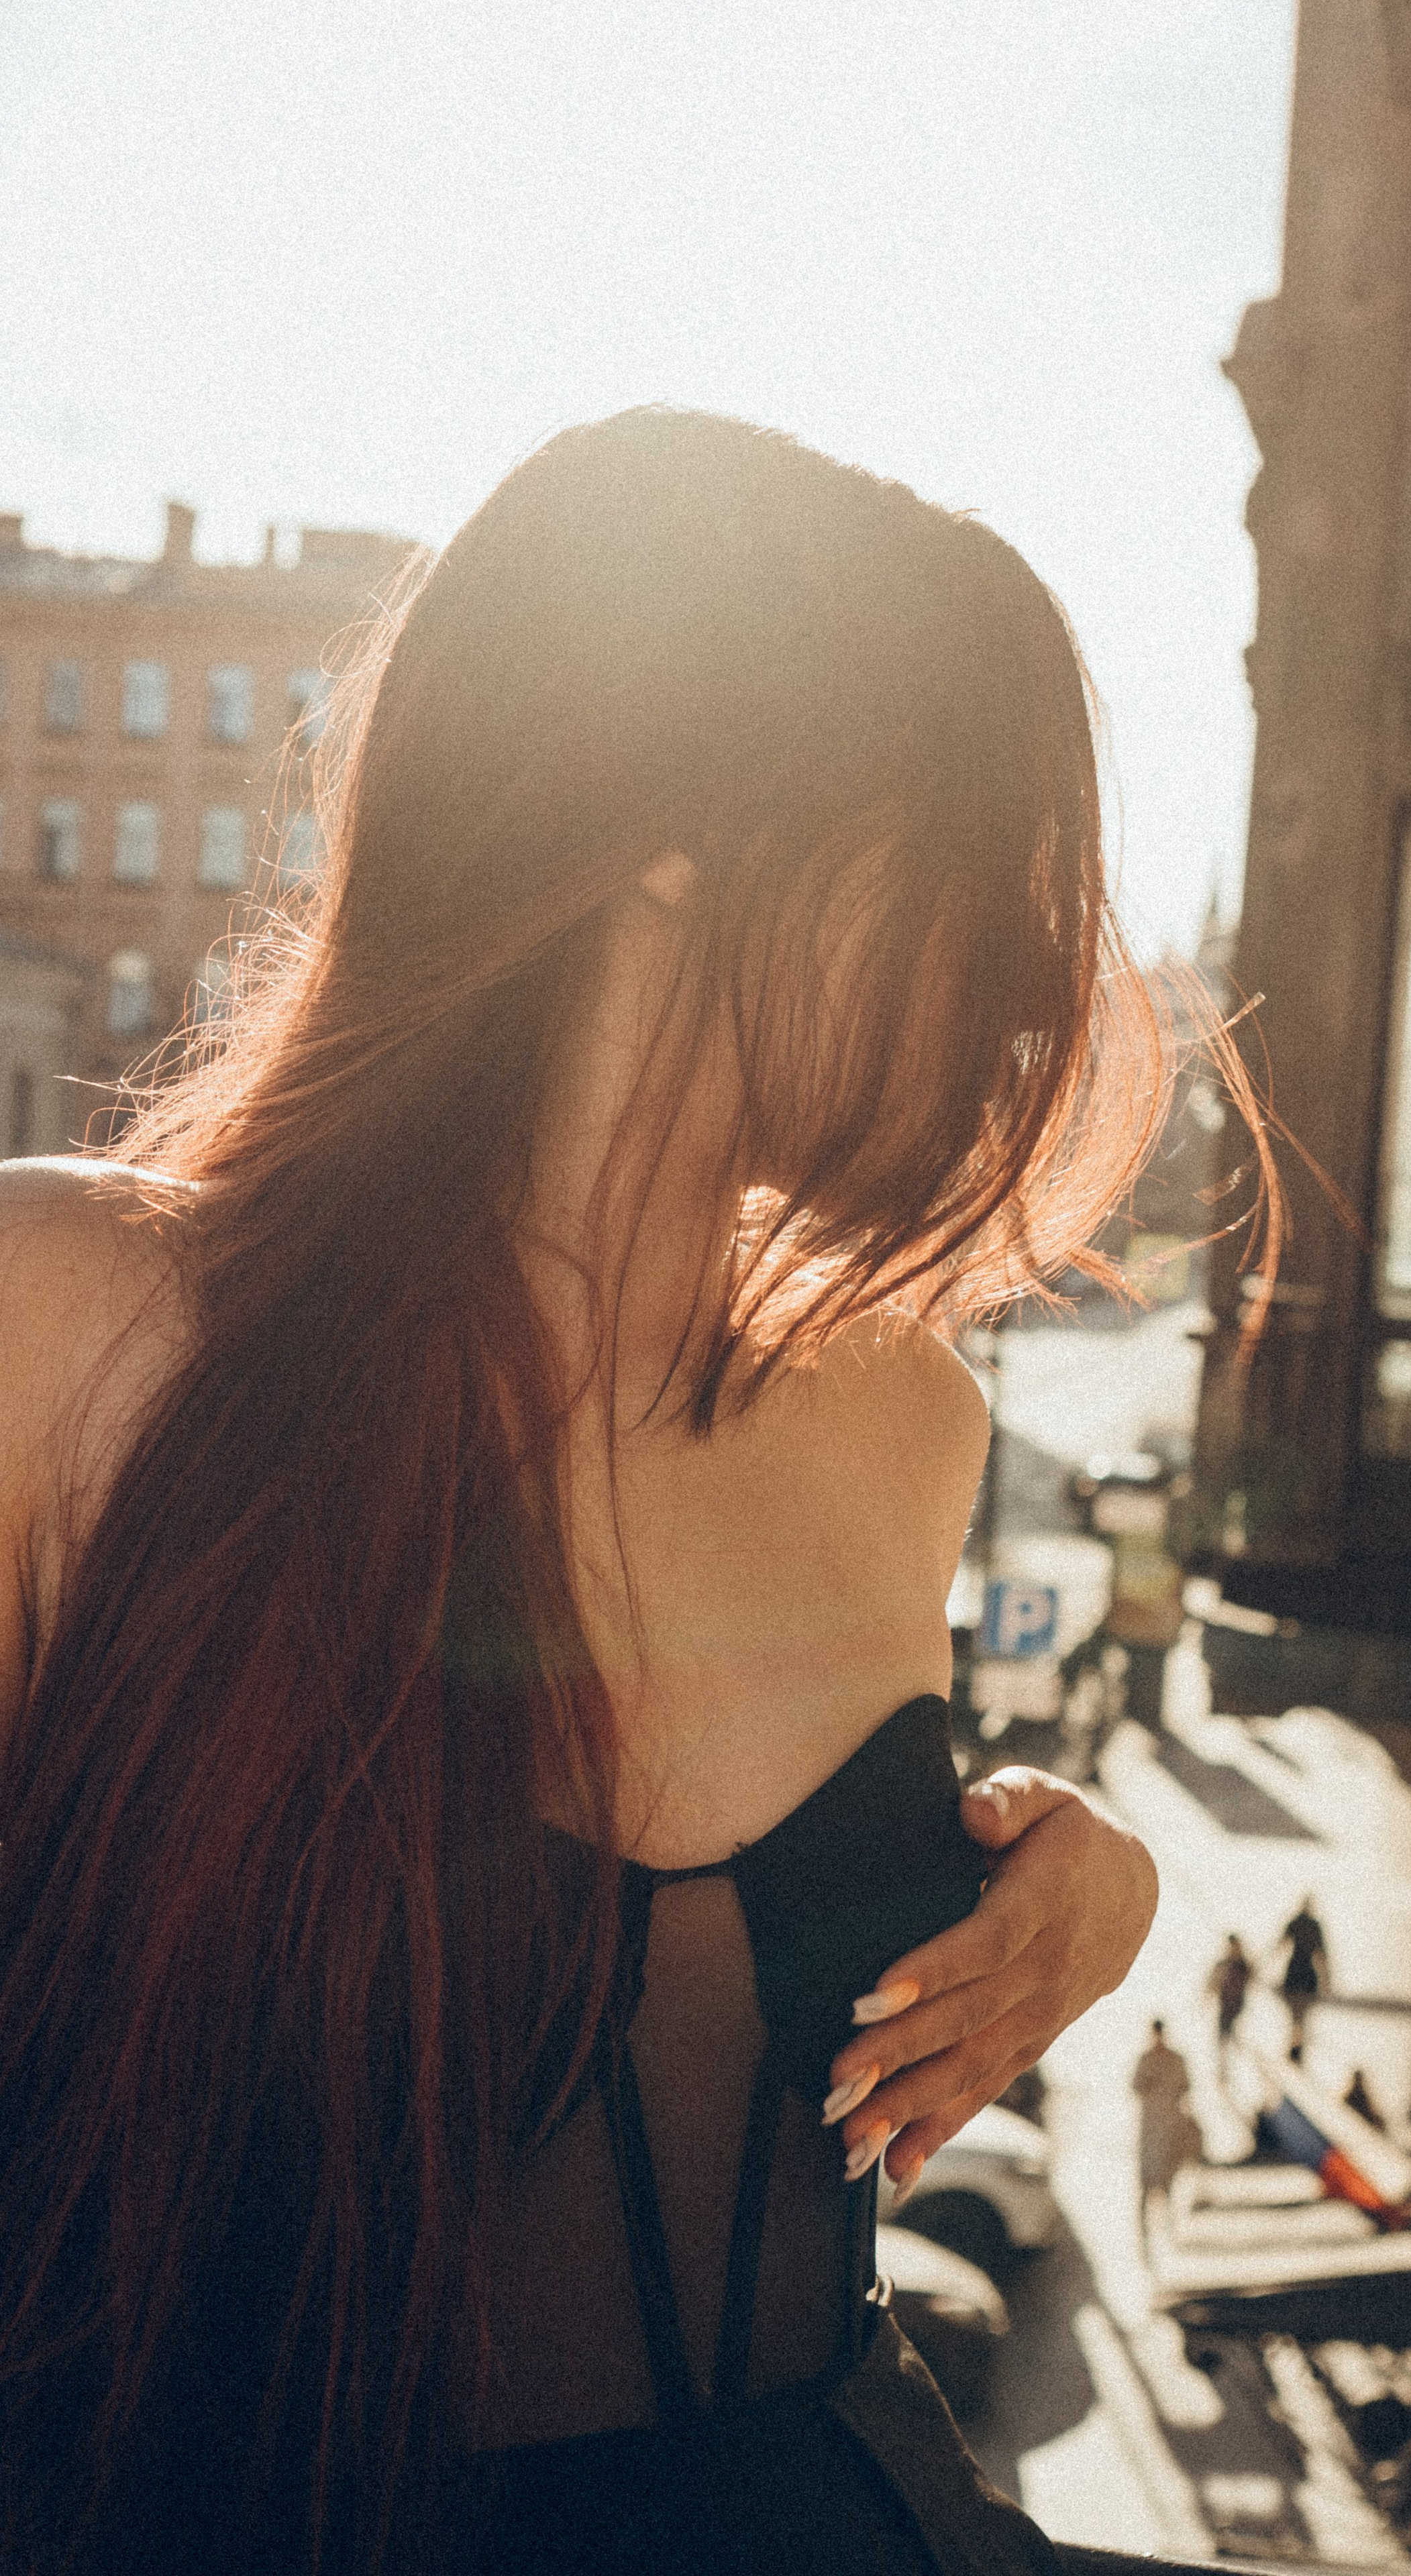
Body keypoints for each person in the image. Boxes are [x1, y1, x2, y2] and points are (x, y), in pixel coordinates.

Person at [0, 411, 1265, 2574]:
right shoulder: (78, 1319)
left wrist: (1091, 1882)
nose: (1031, 968)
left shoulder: (907, 1427)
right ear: (680, 826)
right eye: (965, 863)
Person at [1131, 2019, 1200, 2200]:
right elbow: (1137, 2087)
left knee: (1170, 2172)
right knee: (1148, 2178)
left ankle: (1170, 2218)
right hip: (1152, 2123)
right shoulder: (1146, 2059)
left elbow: (1185, 2088)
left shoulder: (1175, 2059)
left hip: (1170, 2122)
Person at [1277, 1897, 1330, 2064]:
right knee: (1299, 2017)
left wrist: (1326, 1980)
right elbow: (1321, 1955)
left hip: (1299, 1973)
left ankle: (1296, 2047)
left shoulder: (1304, 1924)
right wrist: (1326, 1980)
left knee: (1298, 2017)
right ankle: (1296, 2047)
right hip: (1303, 1974)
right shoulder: (1311, 1925)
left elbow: (1281, 1945)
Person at [1208, 1932, 1253, 2068]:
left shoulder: (1243, 1965)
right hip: (1225, 2004)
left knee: (1230, 2032)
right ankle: (1224, 2066)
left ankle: (1239, 2060)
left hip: (1237, 2004)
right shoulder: (1224, 1964)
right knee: (1223, 2035)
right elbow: (1213, 1983)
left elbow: (1252, 1978)